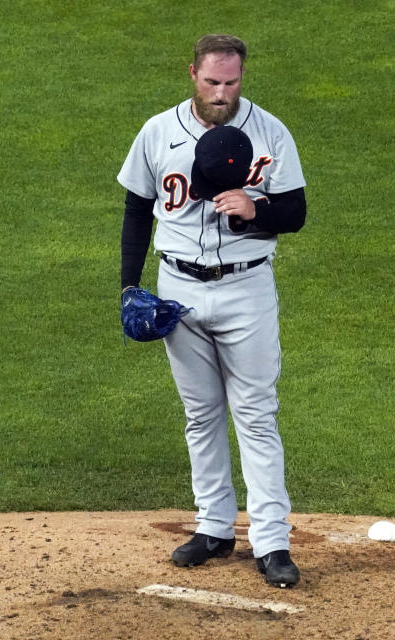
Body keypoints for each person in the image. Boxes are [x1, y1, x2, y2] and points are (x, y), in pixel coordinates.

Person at [117, 34, 307, 588]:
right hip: (178, 286)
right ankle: (214, 528)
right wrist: (130, 287)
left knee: (255, 414)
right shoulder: (158, 132)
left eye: (232, 83)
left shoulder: (270, 131)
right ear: (193, 75)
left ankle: (271, 542)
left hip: (247, 290)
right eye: (212, 82)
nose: (222, 93)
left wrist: (257, 209)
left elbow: (296, 211)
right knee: (200, 414)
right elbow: (136, 212)